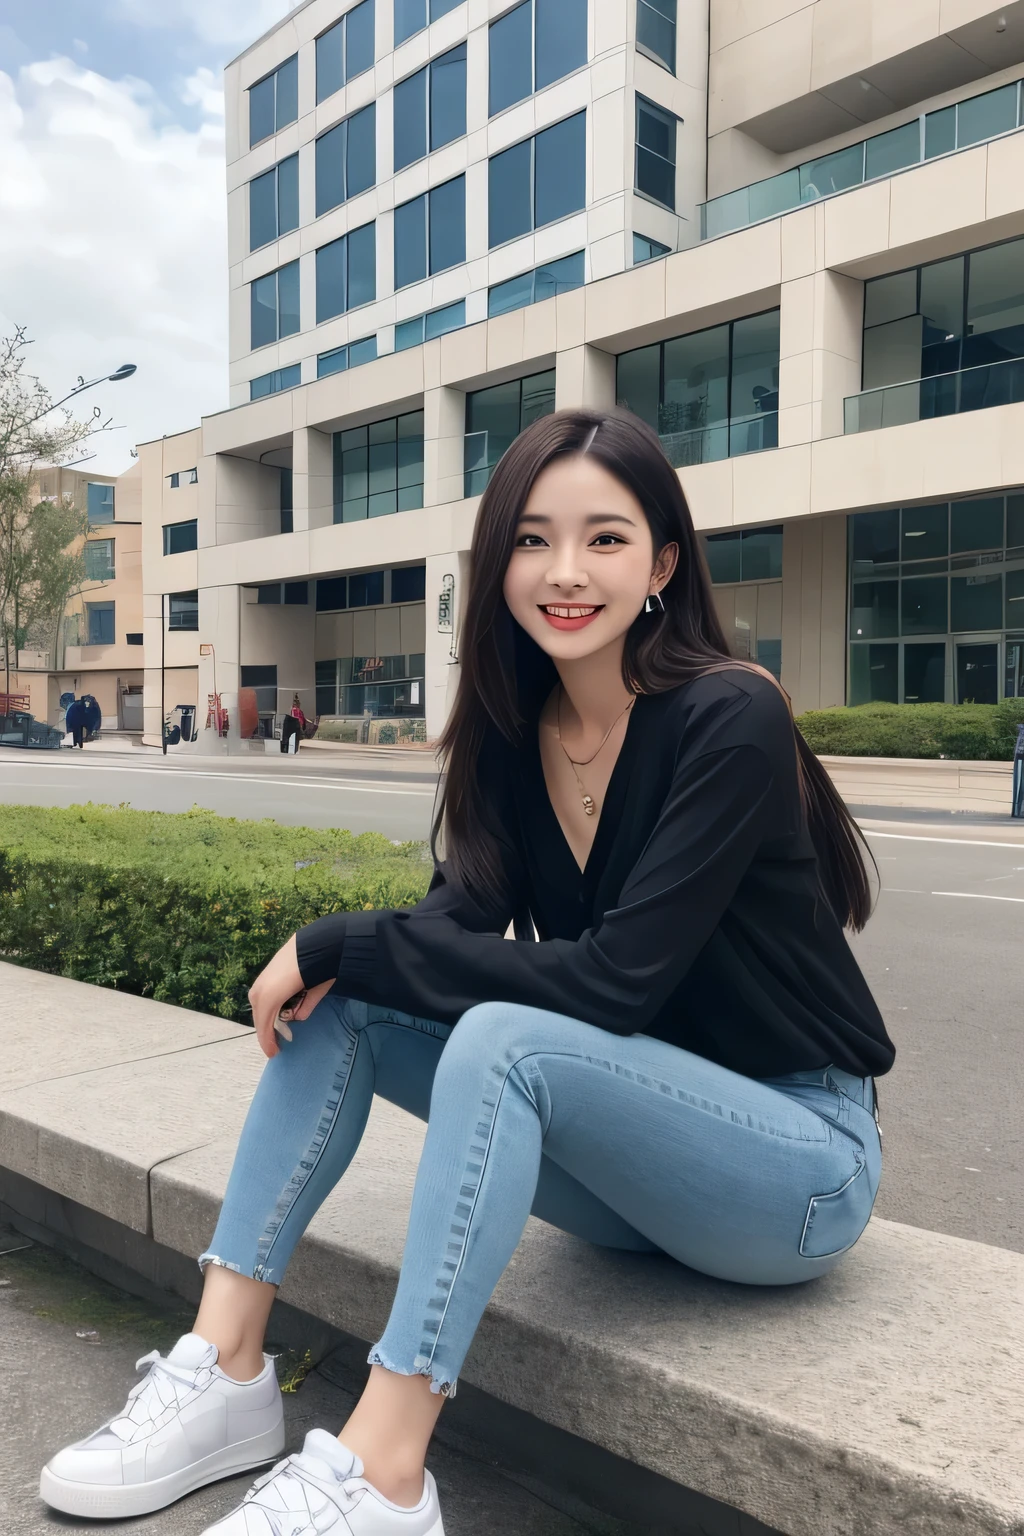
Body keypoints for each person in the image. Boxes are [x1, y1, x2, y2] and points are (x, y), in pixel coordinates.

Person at [40, 410, 895, 1533]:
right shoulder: (512, 726)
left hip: (798, 1167)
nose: (565, 571)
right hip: (641, 1162)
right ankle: (226, 1363)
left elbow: (610, 989)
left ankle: (386, 1474)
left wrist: (342, 936)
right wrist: (347, 955)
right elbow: (442, 937)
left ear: (663, 564)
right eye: (533, 541)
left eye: (604, 538)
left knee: (490, 1028)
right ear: (497, 567)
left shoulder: (727, 715)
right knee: (351, 1001)